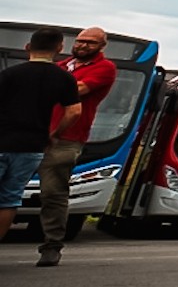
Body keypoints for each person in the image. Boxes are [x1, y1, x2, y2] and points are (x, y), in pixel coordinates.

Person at [38, 25, 117, 265]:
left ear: (101, 47)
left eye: (90, 43)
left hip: (66, 136)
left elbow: (76, 90)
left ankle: (52, 244)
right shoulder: (61, 66)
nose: (82, 45)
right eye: (80, 41)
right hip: (33, 133)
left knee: (53, 191)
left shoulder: (105, 68)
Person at [0, 28, 80, 263]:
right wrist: (54, 134)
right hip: (32, 146)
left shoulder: (9, 74)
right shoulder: (64, 78)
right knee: (9, 198)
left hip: (2, 141)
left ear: (28, 47)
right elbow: (74, 111)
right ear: (59, 49)